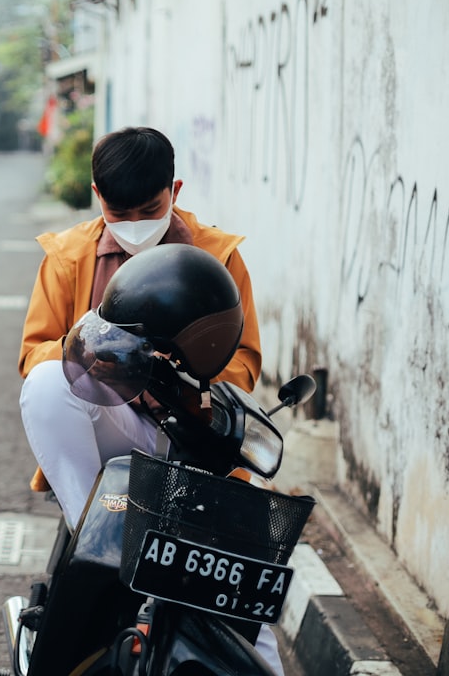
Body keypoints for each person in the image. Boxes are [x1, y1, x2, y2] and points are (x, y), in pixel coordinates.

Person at [17, 125, 274, 671]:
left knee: (254, 630)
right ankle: (99, 535)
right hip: (114, 430)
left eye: (149, 209)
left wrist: (180, 375)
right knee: (44, 386)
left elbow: (245, 365)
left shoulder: (220, 257)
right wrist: (88, 350)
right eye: (119, 211)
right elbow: (33, 354)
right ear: (97, 197)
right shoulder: (67, 258)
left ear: (175, 190)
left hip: (195, 440)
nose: (134, 226)